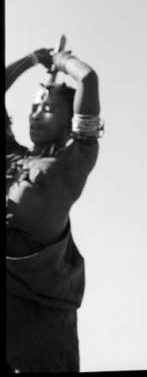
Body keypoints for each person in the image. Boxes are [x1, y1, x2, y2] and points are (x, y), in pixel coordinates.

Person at [6, 46, 103, 372]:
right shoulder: (13, 156)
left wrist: (62, 63)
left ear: (68, 122)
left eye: (47, 108)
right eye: (34, 107)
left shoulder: (74, 160)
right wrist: (31, 60)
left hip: (44, 316)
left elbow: (88, 78)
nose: (36, 114)